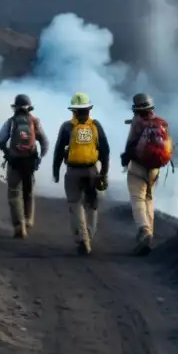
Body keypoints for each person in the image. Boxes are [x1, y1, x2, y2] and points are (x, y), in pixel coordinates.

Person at [52, 92, 110, 255]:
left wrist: (56, 171)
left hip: (73, 172)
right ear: (89, 109)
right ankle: (89, 234)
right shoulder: (96, 125)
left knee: (75, 204)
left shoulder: (67, 127)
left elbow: (58, 150)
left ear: (73, 111)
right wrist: (104, 172)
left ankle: (82, 238)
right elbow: (105, 150)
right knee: (92, 204)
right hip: (91, 170)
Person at [120, 92, 173, 255]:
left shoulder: (137, 123)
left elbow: (130, 145)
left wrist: (125, 161)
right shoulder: (162, 123)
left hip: (138, 166)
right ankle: (150, 233)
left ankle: (144, 230)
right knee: (149, 198)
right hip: (155, 169)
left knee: (138, 199)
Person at [0, 94, 49, 239]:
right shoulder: (35, 122)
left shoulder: (10, 122)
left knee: (14, 193)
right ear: (29, 108)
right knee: (28, 191)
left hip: (14, 162)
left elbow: (0, 141)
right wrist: (40, 157)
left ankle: (19, 225)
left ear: (15, 108)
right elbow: (44, 142)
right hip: (30, 162)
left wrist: (7, 151)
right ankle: (28, 219)